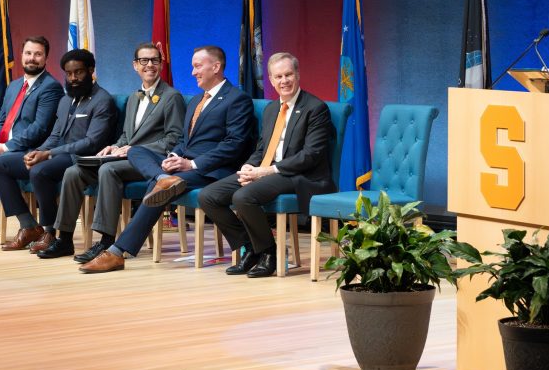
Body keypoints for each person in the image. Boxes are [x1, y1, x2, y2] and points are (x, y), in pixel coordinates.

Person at [79, 45, 256, 273]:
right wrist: (174, 156)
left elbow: (234, 146)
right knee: (135, 151)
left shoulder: (237, 99)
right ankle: (162, 176)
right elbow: (184, 141)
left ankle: (116, 252)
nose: (193, 72)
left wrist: (191, 163)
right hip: (183, 167)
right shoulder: (195, 101)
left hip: (213, 169)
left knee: (159, 188)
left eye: (197, 66)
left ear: (216, 67)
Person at [38, 43, 185, 261]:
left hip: (150, 162)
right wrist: (115, 146)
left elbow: (173, 139)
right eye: (144, 61)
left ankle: (107, 241)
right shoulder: (134, 98)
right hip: (125, 157)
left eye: (154, 60)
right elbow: (127, 136)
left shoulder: (172, 97)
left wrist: (134, 149)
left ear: (161, 64)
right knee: (74, 171)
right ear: (135, 65)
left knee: (108, 170)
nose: (149, 65)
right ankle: (64, 239)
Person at [199, 52, 333, 278]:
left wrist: (268, 171)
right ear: (270, 80)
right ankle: (251, 248)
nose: (284, 81)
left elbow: (311, 155)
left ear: (298, 75)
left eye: (289, 75)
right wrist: (248, 168)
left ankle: (269, 253)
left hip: (300, 175)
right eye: (278, 76)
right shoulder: (272, 109)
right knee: (208, 196)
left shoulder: (315, 108)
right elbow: (262, 148)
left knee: (243, 197)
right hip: (267, 171)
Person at [0, 48, 117, 252]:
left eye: (79, 72)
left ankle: (50, 231)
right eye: (68, 73)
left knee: (40, 171)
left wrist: (48, 154)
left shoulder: (103, 100)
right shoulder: (65, 100)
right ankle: (29, 225)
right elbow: (56, 135)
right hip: (56, 154)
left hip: (80, 158)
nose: (73, 78)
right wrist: (38, 151)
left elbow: (92, 142)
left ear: (91, 70)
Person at [0, 36, 64, 243]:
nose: (32, 58)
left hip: (30, 150)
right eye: (28, 53)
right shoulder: (15, 85)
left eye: (38, 54)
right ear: (21, 55)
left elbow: (39, 128)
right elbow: (0, 119)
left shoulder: (50, 87)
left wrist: (5, 147)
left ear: (46, 58)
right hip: (3, 148)